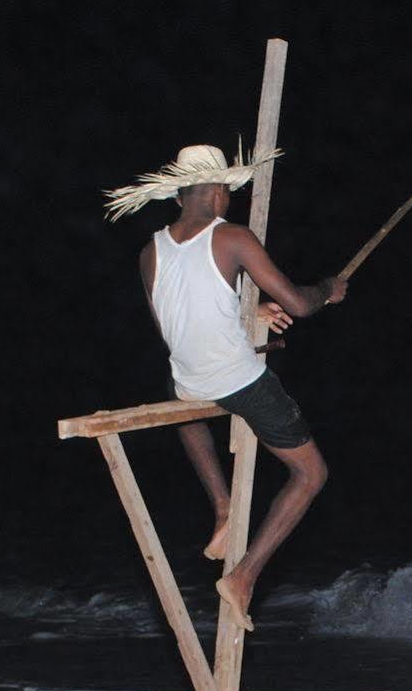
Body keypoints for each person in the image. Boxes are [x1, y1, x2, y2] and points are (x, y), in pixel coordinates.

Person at [105, 144, 348, 629]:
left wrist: (245, 311)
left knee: (187, 398)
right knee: (311, 474)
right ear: (220, 193)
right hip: (240, 382)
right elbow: (299, 305)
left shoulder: (151, 251)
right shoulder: (234, 238)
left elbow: (174, 323)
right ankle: (243, 577)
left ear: (180, 198)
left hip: (188, 380)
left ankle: (221, 509)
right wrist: (328, 288)